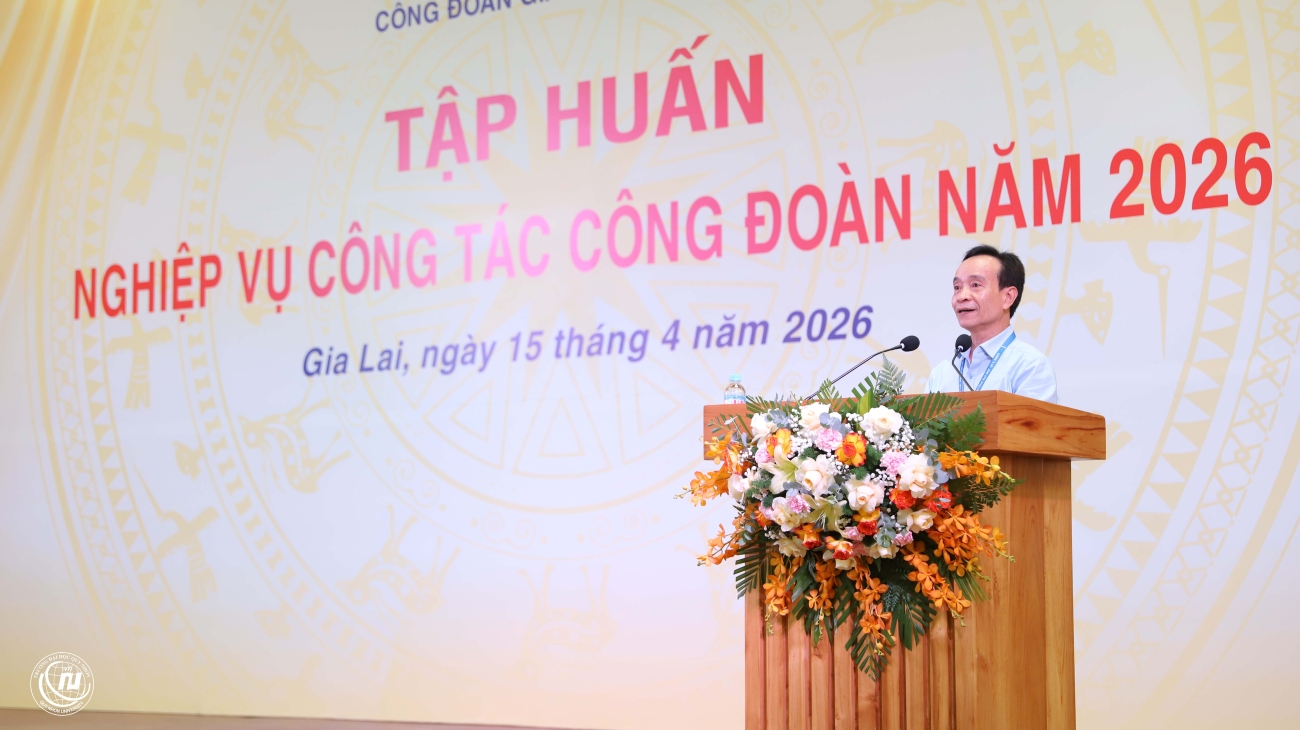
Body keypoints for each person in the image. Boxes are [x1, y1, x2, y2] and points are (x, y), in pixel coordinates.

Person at [926, 245, 1058, 403]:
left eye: (975, 285)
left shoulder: (1030, 366)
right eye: (957, 287)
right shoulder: (942, 373)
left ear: (1008, 297)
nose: (961, 296)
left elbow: (1030, 420)